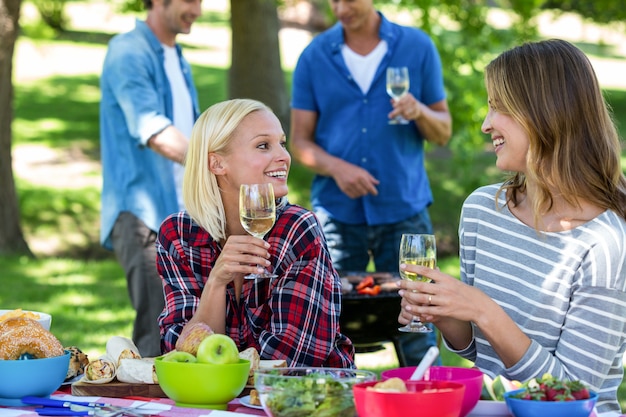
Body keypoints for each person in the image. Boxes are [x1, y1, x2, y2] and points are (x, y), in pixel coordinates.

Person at [397, 39, 626, 414]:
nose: (487, 124)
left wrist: (483, 309)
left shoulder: (603, 239)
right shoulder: (482, 211)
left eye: (498, 107)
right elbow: (478, 348)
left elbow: (571, 396)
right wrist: (447, 313)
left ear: (545, 113)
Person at [288, 0, 452, 366]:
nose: (340, 7)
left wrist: (419, 111)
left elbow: (443, 131)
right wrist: (338, 168)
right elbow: (299, 141)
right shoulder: (314, 56)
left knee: (418, 324)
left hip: (405, 212)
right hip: (337, 215)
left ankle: (429, 400)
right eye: (333, 0)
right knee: (328, 326)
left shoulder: (417, 47)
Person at [156, 98, 355, 368]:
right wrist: (216, 282)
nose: (284, 156)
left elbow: (290, 360)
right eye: (263, 145)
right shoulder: (179, 235)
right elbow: (182, 356)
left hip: (304, 402)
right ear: (216, 164)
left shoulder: (296, 229)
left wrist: (219, 368)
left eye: (282, 143)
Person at [99, 0, 202, 357]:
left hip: (181, 215)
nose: (199, 10)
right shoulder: (128, 52)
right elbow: (153, 129)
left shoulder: (176, 56)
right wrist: (214, 161)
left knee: (188, 332)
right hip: (144, 217)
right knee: (156, 337)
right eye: (190, 1)